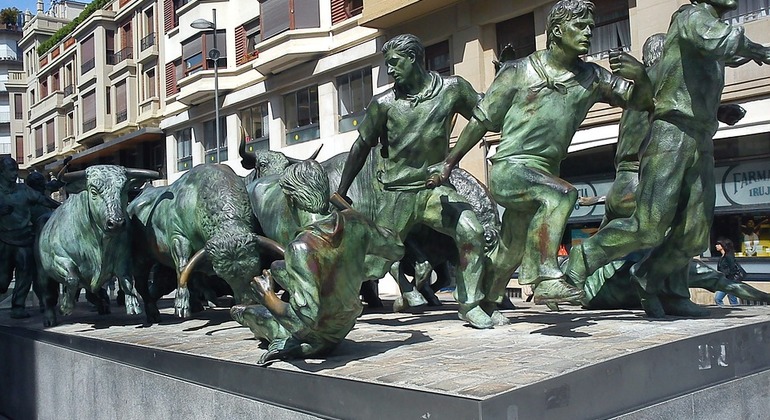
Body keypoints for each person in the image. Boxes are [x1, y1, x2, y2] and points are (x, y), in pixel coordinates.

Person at [429, 0, 653, 311]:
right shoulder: (519, 71)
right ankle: (546, 278)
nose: (589, 32)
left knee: (511, 250)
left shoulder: (593, 77)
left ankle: (484, 299)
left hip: (542, 176)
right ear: (557, 31)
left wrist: (640, 78)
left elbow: (638, 102)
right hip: (510, 169)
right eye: (580, 26)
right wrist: (450, 162)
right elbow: (481, 120)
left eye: (591, 26)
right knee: (562, 195)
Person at [566, 0, 770, 317]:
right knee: (649, 226)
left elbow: (724, 53)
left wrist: (721, 109)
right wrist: (761, 51)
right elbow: (723, 41)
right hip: (671, 133)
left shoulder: (707, 42)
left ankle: (660, 284)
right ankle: (584, 258)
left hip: (701, 138)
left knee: (693, 234)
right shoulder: (693, 18)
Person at [336, 34, 495, 328]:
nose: (390, 70)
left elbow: (484, 118)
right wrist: (341, 192)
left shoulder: (452, 89)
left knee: (471, 233)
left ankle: (471, 303)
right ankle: (333, 303)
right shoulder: (383, 104)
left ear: (413, 59)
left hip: (435, 190)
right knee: (373, 262)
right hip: (396, 194)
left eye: (395, 63)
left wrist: (450, 161)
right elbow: (360, 147)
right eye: (387, 65)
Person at [231, 160, 404, 364]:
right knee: (278, 268)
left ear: (291, 201)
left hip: (319, 336)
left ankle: (253, 317)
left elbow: (303, 323)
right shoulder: (356, 222)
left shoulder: (301, 247)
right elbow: (396, 249)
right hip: (346, 322)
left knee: (245, 312)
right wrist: (358, 219)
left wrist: (268, 296)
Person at [0, 157, 58, 318]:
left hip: (24, 239)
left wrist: (62, 208)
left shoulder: (23, 189)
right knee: (3, 281)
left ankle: (18, 307)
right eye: (10, 171)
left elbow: (42, 199)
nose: (14, 174)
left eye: (15, 170)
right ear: (1, 172)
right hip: (3, 240)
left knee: (24, 274)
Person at [714, 239, 740, 306]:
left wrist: (728, 277)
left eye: (718, 244)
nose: (716, 246)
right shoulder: (722, 257)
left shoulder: (728, 256)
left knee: (718, 298)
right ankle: (736, 311)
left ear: (722, 246)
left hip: (728, 281)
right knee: (732, 298)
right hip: (724, 281)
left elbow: (733, 268)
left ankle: (724, 311)